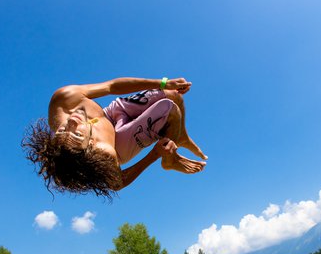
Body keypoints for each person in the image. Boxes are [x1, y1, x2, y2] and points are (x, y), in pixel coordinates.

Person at [23, 77, 207, 198]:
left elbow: (111, 86)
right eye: (78, 134)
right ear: (90, 145)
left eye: (63, 130)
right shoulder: (104, 151)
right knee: (170, 109)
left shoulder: (63, 101)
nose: (72, 122)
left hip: (109, 114)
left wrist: (162, 83)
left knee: (173, 94)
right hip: (120, 142)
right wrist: (154, 155)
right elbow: (117, 183)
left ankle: (180, 135)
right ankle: (170, 160)